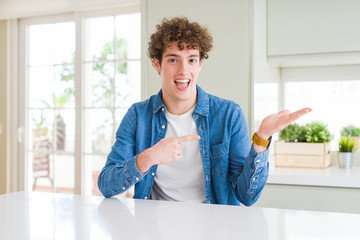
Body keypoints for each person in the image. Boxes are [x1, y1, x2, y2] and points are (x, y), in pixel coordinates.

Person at [98, 17, 311, 206]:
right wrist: (147, 158)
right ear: (157, 64)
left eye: (191, 60)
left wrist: (262, 139)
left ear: (200, 64)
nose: (183, 70)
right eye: (173, 60)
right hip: (153, 227)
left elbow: (247, 197)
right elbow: (106, 186)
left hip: (213, 227)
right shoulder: (138, 116)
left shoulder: (229, 114)